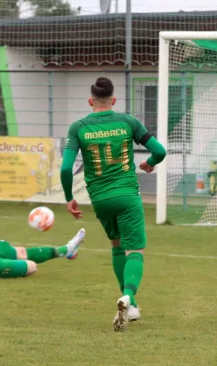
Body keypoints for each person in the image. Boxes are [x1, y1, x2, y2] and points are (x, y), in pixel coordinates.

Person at [60, 77, 167, 332]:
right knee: (136, 251)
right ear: (114, 101)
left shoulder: (79, 127)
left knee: (117, 247)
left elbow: (66, 167)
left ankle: (131, 306)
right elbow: (160, 150)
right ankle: (129, 294)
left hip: (100, 199)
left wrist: (68, 197)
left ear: (90, 101)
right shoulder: (127, 121)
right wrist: (150, 162)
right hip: (127, 195)